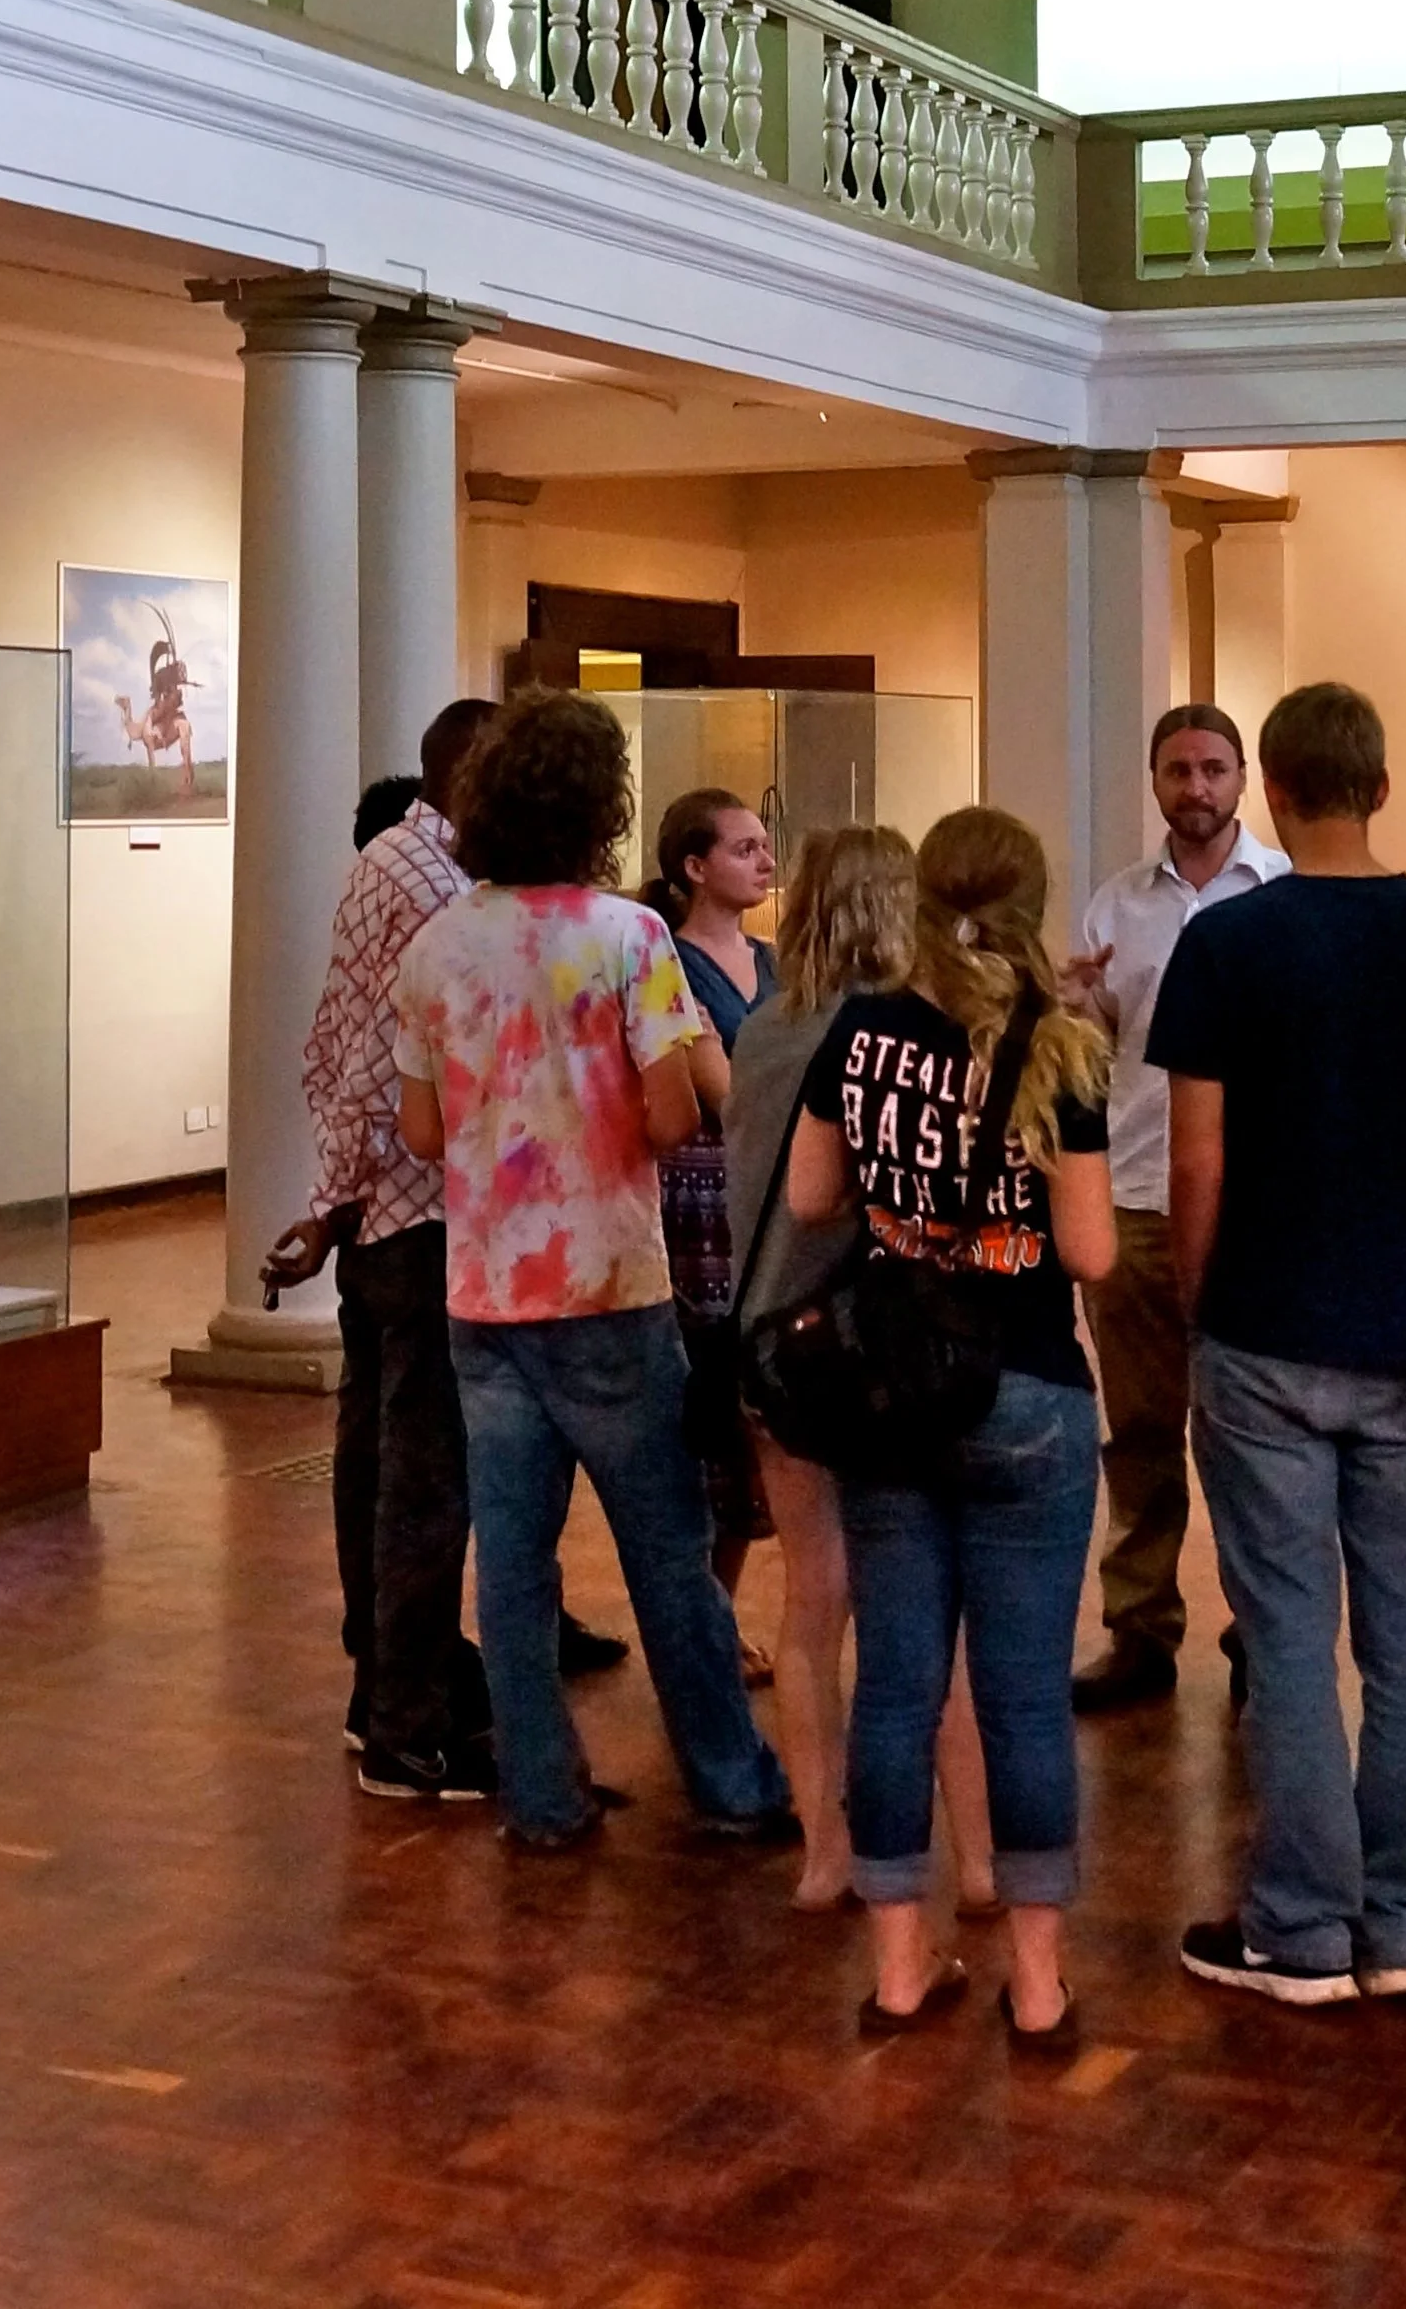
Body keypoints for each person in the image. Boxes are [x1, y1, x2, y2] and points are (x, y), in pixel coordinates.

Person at [1150, 683, 1406, 2006]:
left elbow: (1200, 1156)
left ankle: (1302, 1925)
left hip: (1267, 1316)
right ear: (1382, 785)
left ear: (1278, 791)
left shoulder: (1228, 939)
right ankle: (1400, 1922)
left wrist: (1202, 1297)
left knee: (1289, 1629)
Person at [391, 689, 791, 1852]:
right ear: (600, 810)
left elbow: (420, 1134)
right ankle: (728, 1780)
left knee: (511, 1564)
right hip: (611, 1286)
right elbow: (673, 1116)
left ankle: (543, 1795)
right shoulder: (627, 938)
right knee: (667, 1554)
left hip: (482, 1291)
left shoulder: (438, 944)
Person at [787, 806, 1113, 2044]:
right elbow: (1084, 1248)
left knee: (896, 1686)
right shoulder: (1060, 1048)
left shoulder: (862, 1030)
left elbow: (815, 1197)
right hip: (1024, 1385)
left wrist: (908, 1218)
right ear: (1034, 903)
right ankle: (1036, 1984)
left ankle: (899, 1969)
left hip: (888, 1396)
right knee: (1024, 1694)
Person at [724, 825, 997, 1915]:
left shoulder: (758, 1027)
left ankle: (821, 1846)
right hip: (876, 1351)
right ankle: (975, 1863)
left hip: (770, 1345)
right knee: (928, 1613)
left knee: (807, 1605)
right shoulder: (904, 1040)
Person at [264, 698, 502, 1800]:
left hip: (382, 1214)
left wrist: (331, 1201)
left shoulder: (402, 862)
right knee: (419, 1474)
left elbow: (332, 1045)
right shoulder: (431, 890)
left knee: (381, 1458)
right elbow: (371, 1061)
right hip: (413, 1216)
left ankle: (390, 1686)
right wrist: (344, 1196)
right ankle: (407, 1722)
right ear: (475, 774)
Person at [1063, 703, 1288, 1714]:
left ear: (1241, 778)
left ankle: (1261, 1631)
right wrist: (1068, 1005)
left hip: (1260, 1207)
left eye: (1211, 769)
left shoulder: (1286, 894)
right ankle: (1139, 1629)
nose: (1194, 788)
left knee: (1249, 1435)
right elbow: (1087, 1055)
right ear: (1153, 782)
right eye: (1176, 771)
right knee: (1141, 1433)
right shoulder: (1114, 908)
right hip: (1138, 1198)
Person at [645, 788, 781, 1679]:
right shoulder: (668, 964)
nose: (765, 860)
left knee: (755, 1428)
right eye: (744, 847)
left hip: (766, 1205)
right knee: (704, 1419)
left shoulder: (775, 961)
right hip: (696, 1213)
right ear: (694, 866)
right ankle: (694, 1620)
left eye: (766, 845)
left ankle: (717, 1610)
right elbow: (721, 1089)